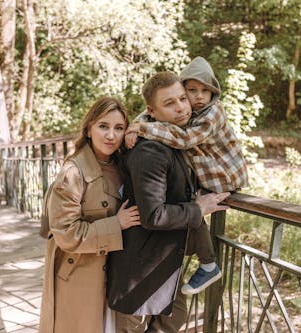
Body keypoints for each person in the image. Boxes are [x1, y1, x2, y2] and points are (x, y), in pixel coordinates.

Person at [107, 71, 231, 333]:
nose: (181, 108)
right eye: (169, 103)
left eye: (183, 99)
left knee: (175, 318)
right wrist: (198, 209)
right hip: (140, 275)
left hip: (163, 269)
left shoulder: (172, 140)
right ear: (152, 111)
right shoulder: (150, 150)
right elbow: (153, 215)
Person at [124, 56, 249, 295]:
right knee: (191, 206)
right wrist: (136, 124)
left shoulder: (212, 113)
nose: (198, 97)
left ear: (215, 92)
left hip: (224, 176)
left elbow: (185, 139)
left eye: (206, 91)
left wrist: (143, 128)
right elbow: (149, 114)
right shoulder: (187, 110)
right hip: (205, 172)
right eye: (191, 91)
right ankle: (203, 261)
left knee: (194, 206)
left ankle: (206, 262)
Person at [39, 96, 141, 333]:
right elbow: (66, 233)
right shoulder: (73, 173)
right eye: (103, 126)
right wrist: (116, 224)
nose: (111, 135)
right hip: (79, 276)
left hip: (115, 275)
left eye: (119, 128)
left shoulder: (123, 164)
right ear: (88, 128)